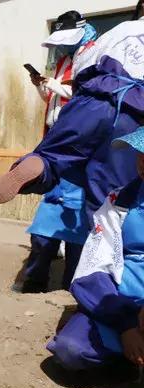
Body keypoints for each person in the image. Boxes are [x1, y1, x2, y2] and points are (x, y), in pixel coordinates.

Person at [0, 19, 144, 219]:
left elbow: (84, 67)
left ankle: (42, 165)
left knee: (53, 157)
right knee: (111, 196)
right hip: (133, 114)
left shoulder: (124, 28)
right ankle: (109, 238)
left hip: (90, 102)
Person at [47, 127, 144, 373]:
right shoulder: (118, 201)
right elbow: (94, 264)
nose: (142, 162)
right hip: (119, 304)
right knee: (71, 349)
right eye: (140, 153)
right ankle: (124, 360)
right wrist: (126, 325)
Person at [18, 12, 98, 293]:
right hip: (56, 139)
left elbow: (88, 98)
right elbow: (56, 100)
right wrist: (44, 87)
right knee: (55, 209)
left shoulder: (95, 56)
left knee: (75, 212)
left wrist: (54, 85)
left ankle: (69, 282)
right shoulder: (65, 60)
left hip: (79, 144)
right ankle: (38, 277)